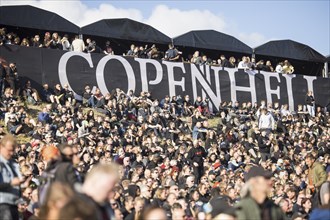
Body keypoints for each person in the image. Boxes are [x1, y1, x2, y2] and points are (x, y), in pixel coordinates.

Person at [0, 135, 25, 220]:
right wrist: (11, 183)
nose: (11, 153)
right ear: (1, 147)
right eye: (9, 150)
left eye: (13, 150)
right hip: (3, 205)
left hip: (14, 204)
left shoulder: (13, 163)